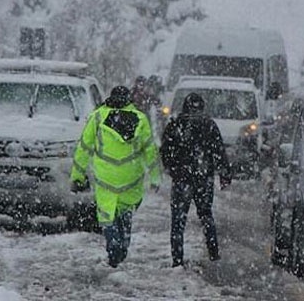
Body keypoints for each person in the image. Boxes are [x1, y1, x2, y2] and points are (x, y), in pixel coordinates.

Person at [70, 86, 161, 268]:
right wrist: (155, 177)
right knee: (125, 214)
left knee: (107, 215)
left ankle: (113, 247)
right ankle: (123, 246)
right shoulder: (140, 119)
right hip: (131, 177)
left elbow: (84, 148)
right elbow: (149, 150)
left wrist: (77, 176)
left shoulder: (97, 117)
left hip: (106, 177)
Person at [159, 92, 232, 267]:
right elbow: (219, 151)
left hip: (182, 179)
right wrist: (225, 174)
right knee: (206, 214)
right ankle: (213, 252)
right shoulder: (209, 125)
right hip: (203, 177)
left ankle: (177, 259)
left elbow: (165, 151)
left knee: (178, 220)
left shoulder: (175, 125)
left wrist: (173, 169)